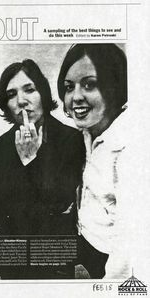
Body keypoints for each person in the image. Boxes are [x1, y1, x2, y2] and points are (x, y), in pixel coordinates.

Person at [0, 59, 85, 279]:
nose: (21, 101)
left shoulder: (71, 139)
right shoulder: (0, 146)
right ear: (5, 104)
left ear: (43, 94)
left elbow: (59, 202)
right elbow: (4, 209)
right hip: (15, 262)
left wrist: (30, 160)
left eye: (29, 90)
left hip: (56, 259)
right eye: (11, 95)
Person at [57, 43, 129, 278]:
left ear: (115, 85)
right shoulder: (88, 132)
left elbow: (129, 245)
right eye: (69, 87)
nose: (75, 97)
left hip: (110, 259)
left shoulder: (128, 148)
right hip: (87, 243)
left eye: (89, 84)